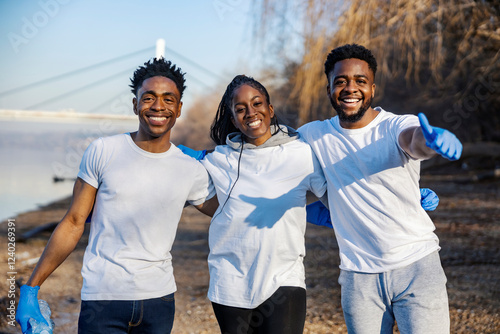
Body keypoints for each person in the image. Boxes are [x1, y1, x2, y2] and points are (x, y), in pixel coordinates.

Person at [178, 74, 441, 334]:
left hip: (284, 280)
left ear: (270, 109)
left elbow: (342, 185)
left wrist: (402, 195)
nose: (250, 112)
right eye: (240, 109)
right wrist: (184, 162)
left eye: (257, 103)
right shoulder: (217, 159)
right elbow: (190, 194)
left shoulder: (301, 152)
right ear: (232, 118)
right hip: (229, 283)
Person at [15, 58, 217, 334]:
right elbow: (74, 222)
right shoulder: (103, 151)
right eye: (149, 97)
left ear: (179, 108)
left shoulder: (190, 168)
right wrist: (30, 289)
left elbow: (229, 213)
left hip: (158, 302)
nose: (158, 106)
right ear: (135, 104)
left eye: (169, 99)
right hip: (103, 299)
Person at [297, 44, 462, 333]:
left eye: (360, 81)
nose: (350, 88)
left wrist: (430, 141)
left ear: (372, 89)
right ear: (328, 89)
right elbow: (270, 155)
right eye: (341, 81)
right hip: (358, 277)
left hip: (417, 266)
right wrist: (219, 155)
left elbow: (412, 140)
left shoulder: (396, 125)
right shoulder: (314, 135)